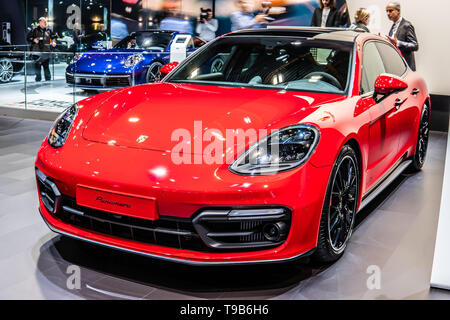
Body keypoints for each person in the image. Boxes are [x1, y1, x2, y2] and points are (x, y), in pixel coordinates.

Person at [386, 2, 419, 71]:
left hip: (406, 68)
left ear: (398, 11)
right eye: (387, 11)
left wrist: (398, 43)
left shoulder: (406, 25)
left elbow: (415, 45)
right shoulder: (393, 26)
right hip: (397, 67)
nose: (388, 13)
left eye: (390, 11)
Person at [26, 17, 56, 82]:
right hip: (37, 52)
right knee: (38, 68)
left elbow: (54, 36)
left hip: (46, 52)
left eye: (46, 21)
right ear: (40, 22)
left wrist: (53, 41)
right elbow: (28, 38)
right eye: (44, 21)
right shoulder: (34, 30)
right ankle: (38, 81)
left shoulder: (48, 30)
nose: (45, 23)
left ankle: (48, 82)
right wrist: (33, 40)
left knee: (46, 67)